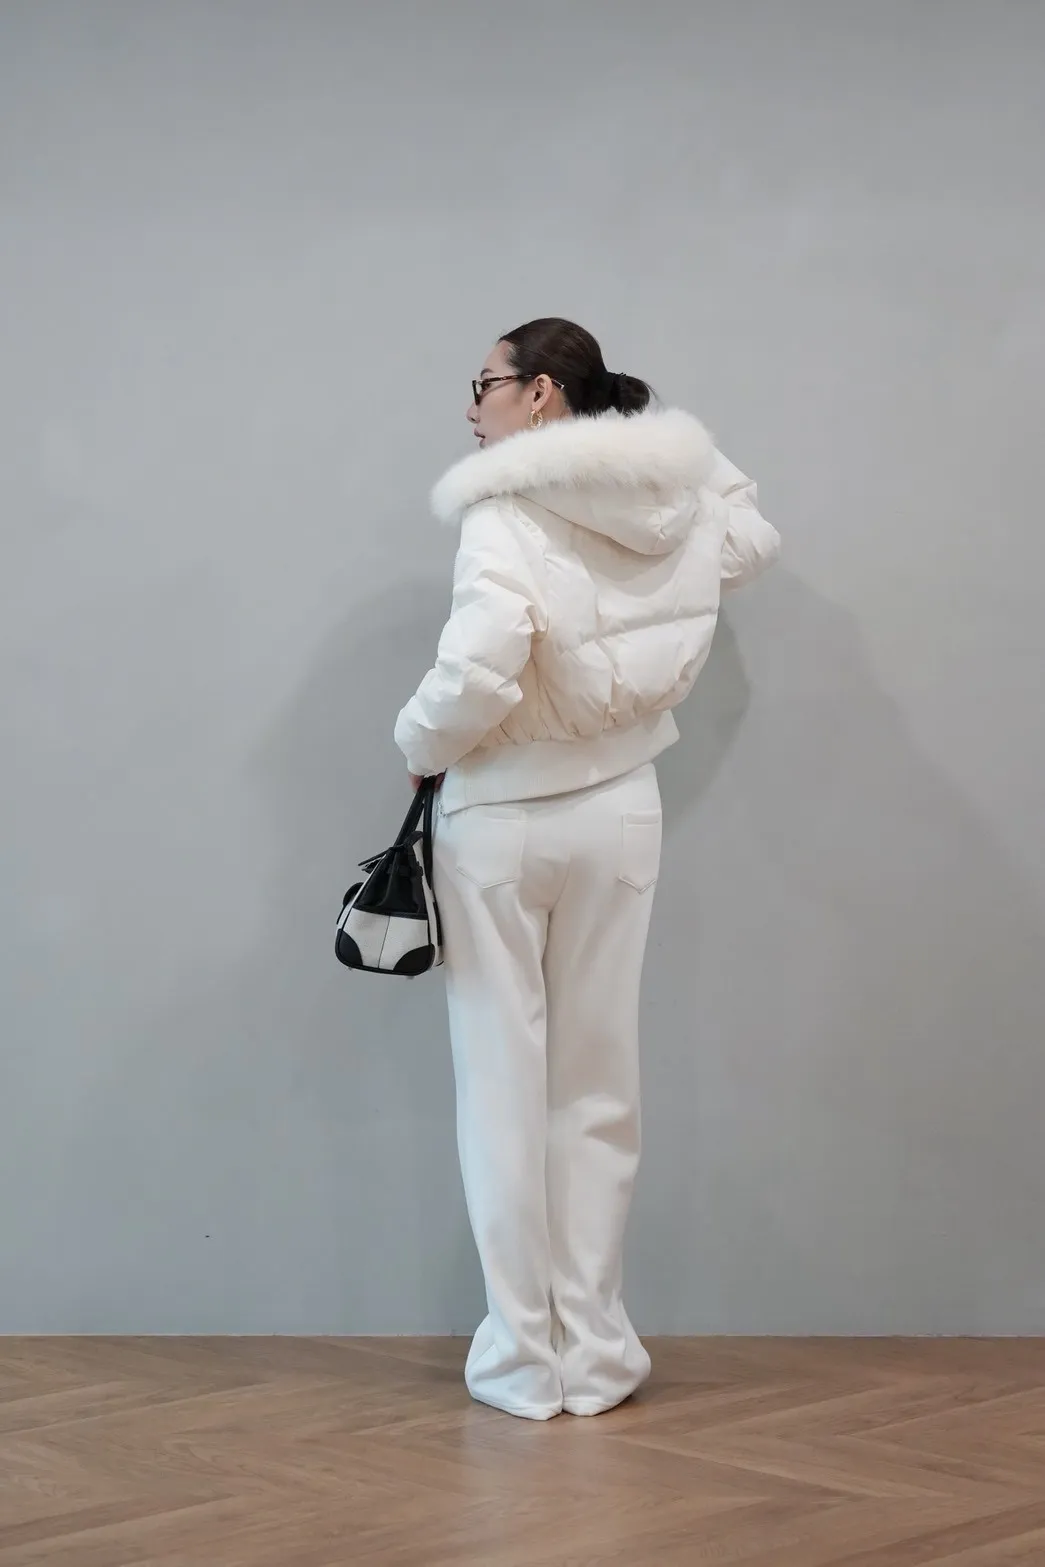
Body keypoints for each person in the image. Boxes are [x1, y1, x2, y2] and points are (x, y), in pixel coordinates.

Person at [394, 317, 779, 1420]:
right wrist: (667, 446)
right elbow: (753, 539)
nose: (471, 406)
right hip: (620, 811)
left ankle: (523, 1359)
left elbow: (481, 664)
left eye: (484, 382)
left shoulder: (501, 507)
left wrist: (416, 742)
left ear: (541, 394)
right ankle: (599, 1353)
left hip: (500, 818)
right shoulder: (674, 502)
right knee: (601, 1081)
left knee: (502, 1089)